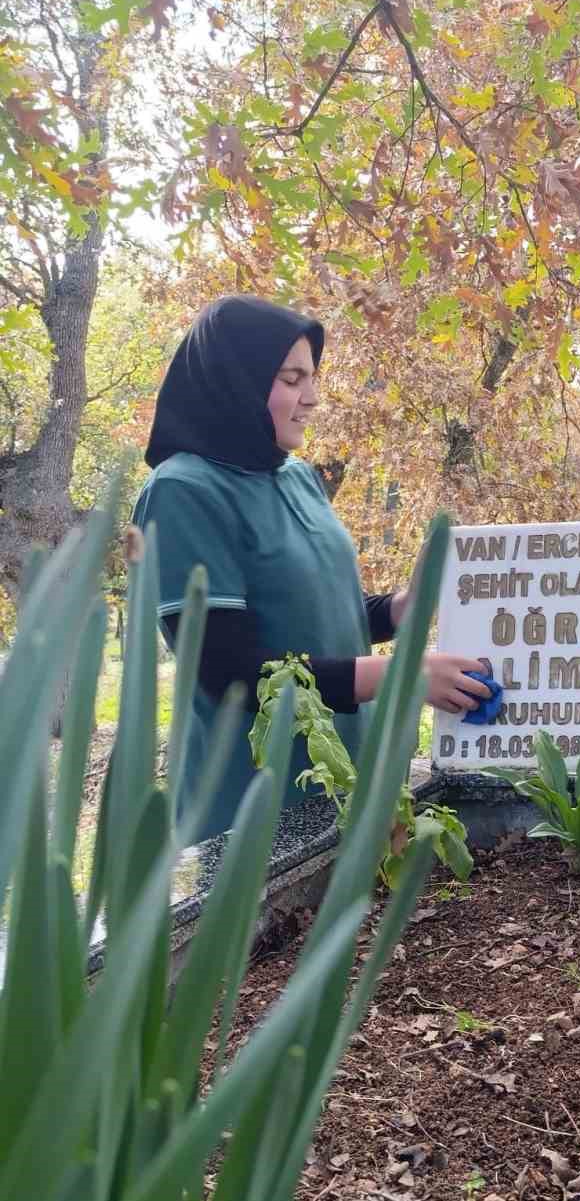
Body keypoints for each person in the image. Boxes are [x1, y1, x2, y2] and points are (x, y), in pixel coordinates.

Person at [133, 294, 489, 844]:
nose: (312, 398)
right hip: (250, 810)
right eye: (292, 378)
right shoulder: (183, 492)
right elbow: (231, 673)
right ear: (237, 378)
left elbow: (322, 614)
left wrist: (407, 607)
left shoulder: (297, 477)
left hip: (347, 783)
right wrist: (401, 677)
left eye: (313, 377)